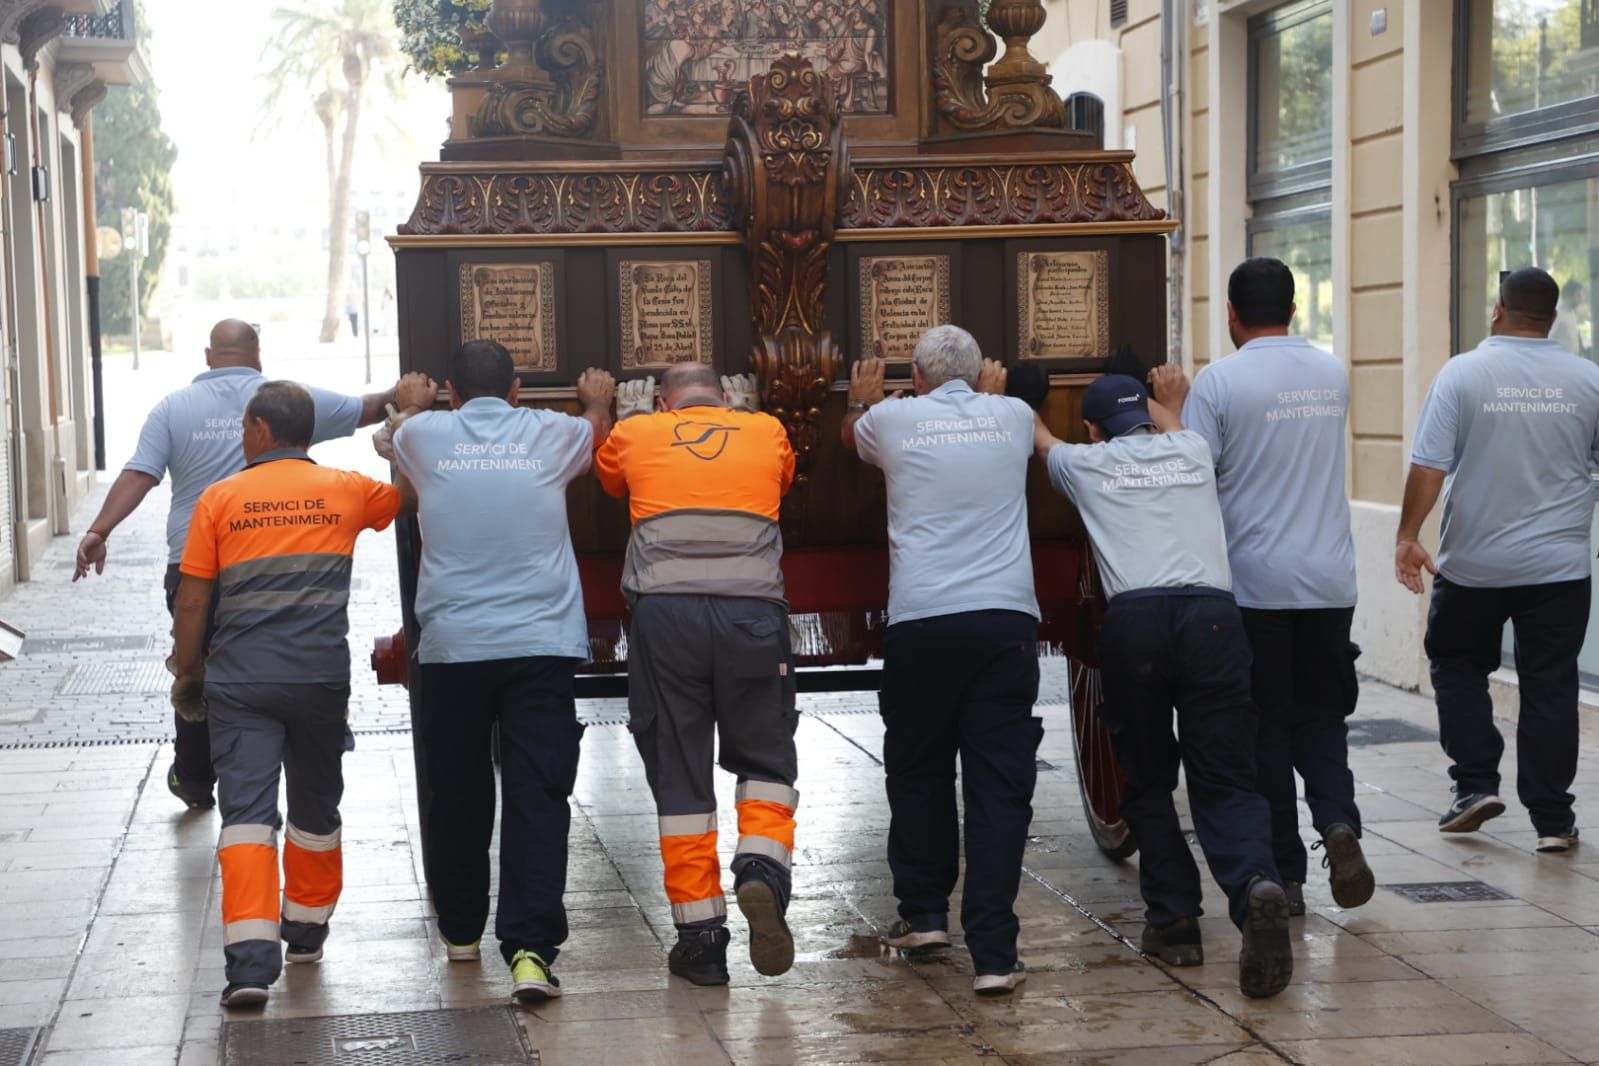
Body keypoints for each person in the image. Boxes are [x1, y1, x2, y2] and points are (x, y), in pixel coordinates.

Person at [72, 319, 429, 811]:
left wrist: (100, 530)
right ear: (257, 355)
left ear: (207, 355)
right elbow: (366, 410)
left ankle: (197, 778)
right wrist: (404, 397)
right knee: (267, 665)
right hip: (278, 559)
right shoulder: (291, 401)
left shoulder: (173, 407)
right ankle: (273, 771)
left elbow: (141, 474)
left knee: (195, 664)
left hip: (195, 562)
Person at [1036, 370, 1293, 1000]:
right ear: (1151, 417)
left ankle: (1176, 922)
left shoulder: (1086, 464)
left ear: (1093, 429)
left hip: (1138, 623)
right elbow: (1170, 426)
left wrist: (1005, 397)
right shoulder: (1192, 449)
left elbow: (1037, 439)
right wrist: (1173, 404)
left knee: (1147, 776)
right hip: (1214, 616)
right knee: (1226, 775)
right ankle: (1255, 881)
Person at [380, 340, 615, 1004]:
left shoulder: (423, 436)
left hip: (454, 647)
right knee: (537, 794)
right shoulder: (554, 431)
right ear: (516, 391)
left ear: (452, 393)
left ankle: (460, 932)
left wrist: (408, 405)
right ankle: (531, 951)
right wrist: (596, 398)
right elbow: (596, 436)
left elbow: (396, 453)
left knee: (457, 792)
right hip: (540, 645)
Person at [168, 381, 408, 1008]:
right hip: (319, 679)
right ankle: (305, 930)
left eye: (246, 428)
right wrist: (399, 433)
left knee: (246, 814)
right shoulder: (348, 490)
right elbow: (408, 497)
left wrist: (187, 668)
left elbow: (194, 597)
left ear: (260, 430)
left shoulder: (220, 498)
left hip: (242, 682)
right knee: (315, 806)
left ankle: (249, 967)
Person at [1155, 257, 1373, 917]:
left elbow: (1194, 471)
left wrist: (1169, 411)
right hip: (1330, 582)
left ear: (1230, 314)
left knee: (1265, 732)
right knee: (1323, 717)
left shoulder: (1218, 383)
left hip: (1252, 586)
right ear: (1295, 308)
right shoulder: (1331, 372)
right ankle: (1337, 822)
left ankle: (1289, 873)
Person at [841, 326, 1042, 997]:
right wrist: (991, 395)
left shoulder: (889, 419)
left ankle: (924, 915)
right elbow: (1003, 410)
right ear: (979, 375)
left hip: (922, 621)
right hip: (1002, 620)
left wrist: (857, 400)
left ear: (917, 377)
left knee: (919, 769)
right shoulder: (1012, 416)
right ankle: (993, 953)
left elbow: (850, 440)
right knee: (997, 786)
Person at [593, 363, 798, 988]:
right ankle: (762, 868)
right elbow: (784, 482)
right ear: (726, 394)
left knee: (681, 773)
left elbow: (609, 483)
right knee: (766, 757)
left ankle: (702, 943)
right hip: (755, 617)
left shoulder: (638, 433)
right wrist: (747, 416)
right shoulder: (766, 430)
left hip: (667, 618)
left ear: (661, 400)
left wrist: (626, 421)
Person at [1396, 266, 1598, 854]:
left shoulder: (1464, 374)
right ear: (1553, 318)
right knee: (1551, 686)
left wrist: (1407, 534)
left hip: (1475, 564)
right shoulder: (1587, 379)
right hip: (1560, 570)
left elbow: (1429, 465)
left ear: (1498, 309)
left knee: (1457, 663)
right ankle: (1554, 820)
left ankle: (1475, 784)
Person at [1551, 279, 1587, 360]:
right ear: (1568, 295)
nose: (1582, 299)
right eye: (1578, 296)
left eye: (1582, 295)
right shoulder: (1556, 313)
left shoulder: (1572, 311)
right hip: (1560, 362)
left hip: (1574, 360)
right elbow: (1548, 337)